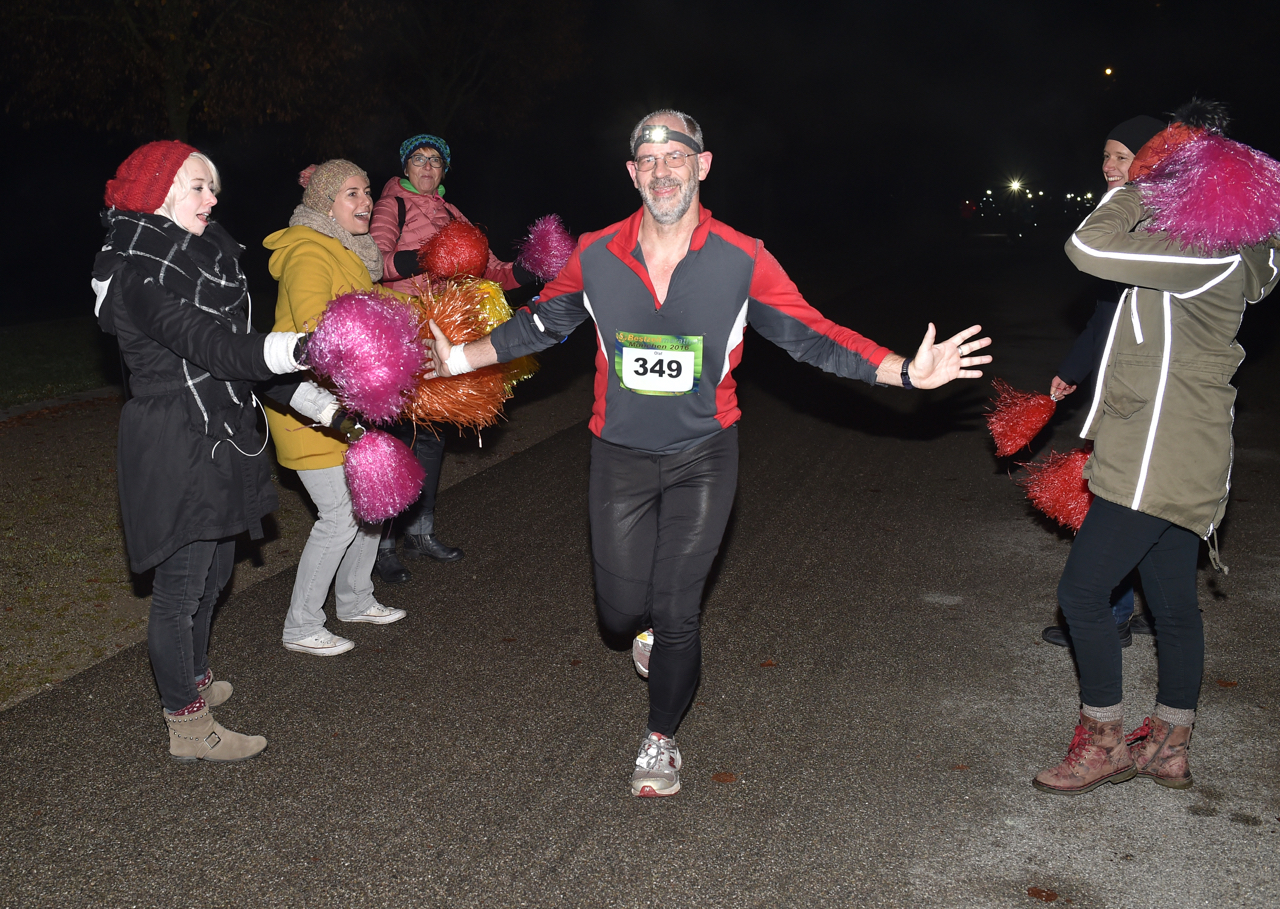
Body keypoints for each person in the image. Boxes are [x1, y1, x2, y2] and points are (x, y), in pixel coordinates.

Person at [424, 110, 993, 797]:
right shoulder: (598, 253)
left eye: (677, 155)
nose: (663, 170)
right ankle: (643, 632)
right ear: (632, 173)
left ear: (704, 164)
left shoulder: (742, 256)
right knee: (616, 610)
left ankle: (660, 737)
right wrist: (455, 357)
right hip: (619, 455)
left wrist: (903, 369)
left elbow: (813, 336)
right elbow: (539, 325)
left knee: (677, 608)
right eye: (649, 159)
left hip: (703, 453)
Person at [1033, 101, 1280, 794]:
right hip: (1185, 447)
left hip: (1157, 453)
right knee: (1172, 604)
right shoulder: (1234, 252)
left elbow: (1087, 247)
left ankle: (1104, 741)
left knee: (1081, 593)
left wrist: (1138, 183)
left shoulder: (1203, 256)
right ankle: (1170, 744)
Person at [92, 141, 308, 761]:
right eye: (197, 186)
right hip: (174, 437)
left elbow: (234, 355)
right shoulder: (138, 271)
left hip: (216, 427)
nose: (212, 199)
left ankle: (193, 679)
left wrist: (318, 403)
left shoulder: (203, 260)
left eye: (213, 187)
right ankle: (186, 726)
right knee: (181, 587)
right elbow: (208, 345)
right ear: (157, 192)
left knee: (216, 572)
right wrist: (305, 348)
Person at [366, 133, 541, 583]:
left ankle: (421, 533)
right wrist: (428, 258)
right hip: (403, 332)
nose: (427, 167)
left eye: (436, 162)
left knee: (432, 439)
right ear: (405, 167)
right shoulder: (391, 205)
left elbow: (492, 272)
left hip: (446, 332)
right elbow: (372, 263)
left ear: (444, 172)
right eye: (419, 159)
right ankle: (382, 545)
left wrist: (532, 267)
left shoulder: (453, 213)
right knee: (398, 438)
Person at [264, 159, 408, 658]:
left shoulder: (354, 254)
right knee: (340, 514)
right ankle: (301, 625)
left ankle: (354, 599)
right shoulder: (308, 252)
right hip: (308, 408)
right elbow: (313, 338)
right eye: (351, 193)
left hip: (350, 405)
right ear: (325, 203)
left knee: (372, 501)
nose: (366, 201)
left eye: (367, 191)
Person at [1040, 115, 1165, 650]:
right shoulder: (1130, 216)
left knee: (1122, 501)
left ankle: (1109, 615)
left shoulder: (1150, 224)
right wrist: (1073, 369)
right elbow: (1106, 313)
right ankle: (1135, 611)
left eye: (1120, 156)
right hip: (1126, 386)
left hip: (1149, 396)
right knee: (1141, 505)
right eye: (1106, 155)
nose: (1108, 166)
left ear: (1149, 161)